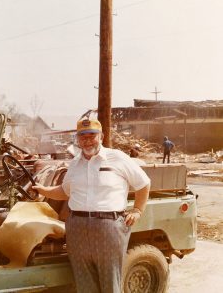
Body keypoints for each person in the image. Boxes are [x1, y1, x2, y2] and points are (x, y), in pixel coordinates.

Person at [33, 118, 150, 293]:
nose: (87, 140)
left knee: (110, 282)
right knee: (84, 282)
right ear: (78, 139)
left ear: (101, 136)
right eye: (83, 136)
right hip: (77, 227)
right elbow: (65, 192)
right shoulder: (74, 163)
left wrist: (138, 210)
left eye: (92, 135)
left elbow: (143, 183)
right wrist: (43, 190)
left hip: (108, 227)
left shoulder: (117, 157)